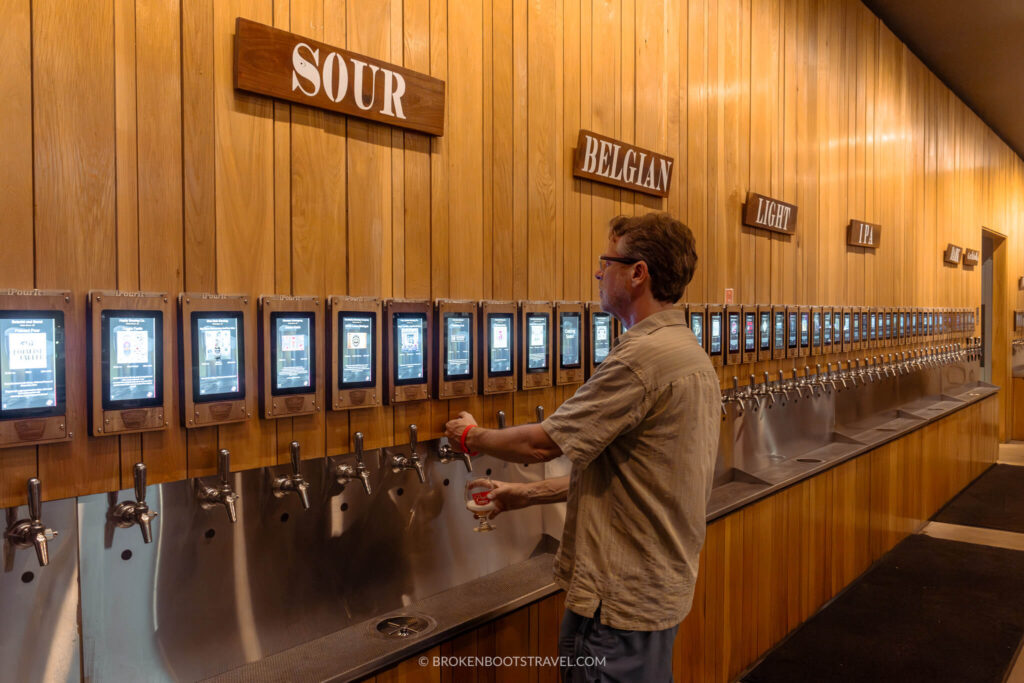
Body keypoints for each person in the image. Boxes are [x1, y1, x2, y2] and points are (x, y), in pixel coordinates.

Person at [443, 212, 721, 682]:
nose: (597, 273)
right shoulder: (689, 353)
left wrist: (471, 436)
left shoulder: (640, 359)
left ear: (638, 273)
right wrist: (520, 495)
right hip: (651, 591)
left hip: (619, 602)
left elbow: (541, 444)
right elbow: (627, 480)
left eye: (604, 261)